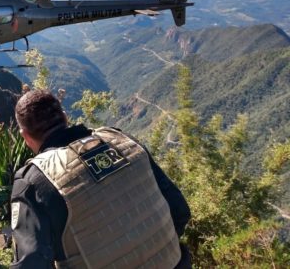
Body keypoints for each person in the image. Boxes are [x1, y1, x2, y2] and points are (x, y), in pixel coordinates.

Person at [11, 90, 191, 268]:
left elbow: (30, 263)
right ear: (65, 117)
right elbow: (179, 210)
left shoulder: (34, 181)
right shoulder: (122, 140)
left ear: (25, 136)